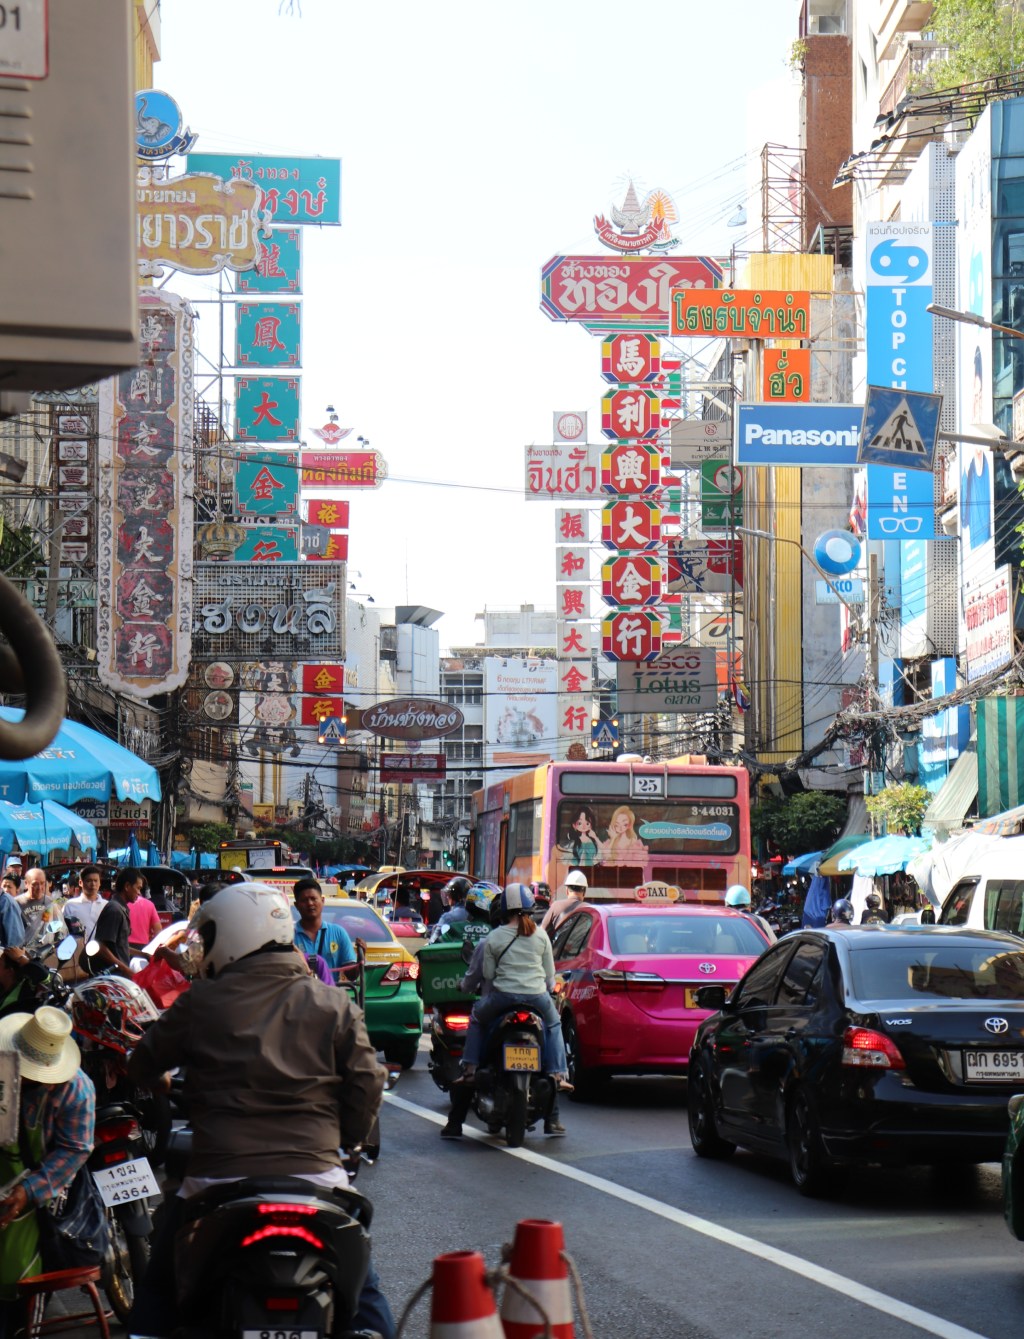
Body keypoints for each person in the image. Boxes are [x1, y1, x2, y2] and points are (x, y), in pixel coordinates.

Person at [125, 882, 394, 1337]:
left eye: (209, 937)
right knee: (366, 1300)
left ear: (233, 935)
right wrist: (346, 1141)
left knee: (155, 1296)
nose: (205, 948)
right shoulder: (331, 1002)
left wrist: (166, 1081)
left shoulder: (202, 1002)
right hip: (318, 1180)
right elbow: (369, 1081)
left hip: (217, 1182)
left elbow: (143, 1063)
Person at [0, 1007, 96, 1332]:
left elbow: (74, 1149)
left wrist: (27, 1191)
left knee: (23, 1281)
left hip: (44, 1185)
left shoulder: (76, 1089)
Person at [456, 882, 570, 1090]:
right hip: (537, 998)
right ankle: (558, 1074)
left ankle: (470, 1069)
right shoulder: (541, 935)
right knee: (554, 1024)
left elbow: (488, 974)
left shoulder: (493, 937)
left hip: (502, 998)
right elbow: (549, 976)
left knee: (476, 1018)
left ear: (503, 909)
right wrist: (549, 987)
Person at [292, 877, 355, 984]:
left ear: (322, 901)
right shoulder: (289, 937)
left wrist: (362, 959)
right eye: (304, 900)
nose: (310, 903)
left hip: (330, 996)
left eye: (313, 898)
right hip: (300, 997)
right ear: (296, 905)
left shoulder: (339, 933)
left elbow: (352, 976)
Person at [85, 866, 140, 978]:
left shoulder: (120, 908)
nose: (139, 893)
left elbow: (119, 947)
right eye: (138, 888)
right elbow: (101, 947)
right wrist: (125, 969)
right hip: (111, 978)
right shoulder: (115, 910)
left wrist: (145, 955)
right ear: (127, 886)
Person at [63, 864, 105, 943]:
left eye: (96, 880)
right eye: (89, 881)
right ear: (80, 883)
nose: (93, 884)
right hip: (78, 952)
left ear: (100, 883)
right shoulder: (70, 905)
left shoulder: (107, 906)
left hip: (102, 953)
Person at [127, 880, 163, 955]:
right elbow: (158, 930)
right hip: (143, 949)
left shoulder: (122, 904)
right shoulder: (150, 905)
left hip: (124, 947)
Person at [0, 876, 24, 952]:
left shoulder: (6, 901)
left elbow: (14, 944)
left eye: (9, 887)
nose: (6, 889)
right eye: (4, 886)